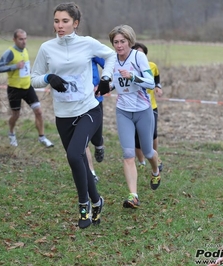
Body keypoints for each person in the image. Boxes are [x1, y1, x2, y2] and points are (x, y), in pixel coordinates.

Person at [31, 2, 116, 229]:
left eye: (65, 21)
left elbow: (111, 57)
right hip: (63, 115)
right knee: (77, 159)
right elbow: (34, 78)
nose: (60, 25)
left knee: (73, 155)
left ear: (75, 23)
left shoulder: (87, 44)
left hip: (89, 109)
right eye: (57, 21)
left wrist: (107, 78)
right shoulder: (47, 48)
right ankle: (97, 201)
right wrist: (49, 78)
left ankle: (83, 204)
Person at [96, 24, 160, 209]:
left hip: (142, 111)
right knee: (128, 154)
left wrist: (133, 76)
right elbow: (115, 83)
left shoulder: (138, 56)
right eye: (115, 42)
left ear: (130, 41)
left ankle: (156, 171)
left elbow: (149, 83)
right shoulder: (111, 60)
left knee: (148, 152)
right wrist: (102, 89)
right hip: (123, 111)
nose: (119, 45)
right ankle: (133, 196)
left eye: (122, 41)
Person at [0, 29, 54, 148]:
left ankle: (42, 137)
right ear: (14, 40)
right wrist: (15, 66)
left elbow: (25, 66)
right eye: (21, 39)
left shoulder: (25, 50)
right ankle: (11, 133)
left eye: (25, 39)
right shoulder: (10, 53)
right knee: (16, 115)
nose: (24, 41)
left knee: (39, 112)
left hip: (27, 87)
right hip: (14, 89)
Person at [132, 42, 164, 172]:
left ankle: (155, 157)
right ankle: (141, 162)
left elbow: (156, 78)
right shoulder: (130, 69)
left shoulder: (152, 66)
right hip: (133, 108)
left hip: (151, 106)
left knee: (153, 134)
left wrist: (158, 87)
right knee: (137, 138)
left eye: (142, 54)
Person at [86, 56, 105, 184]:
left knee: (96, 137)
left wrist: (103, 81)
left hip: (96, 99)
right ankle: (91, 173)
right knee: (83, 140)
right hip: (79, 102)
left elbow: (109, 63)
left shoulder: (90, 48)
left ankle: (99, 145)